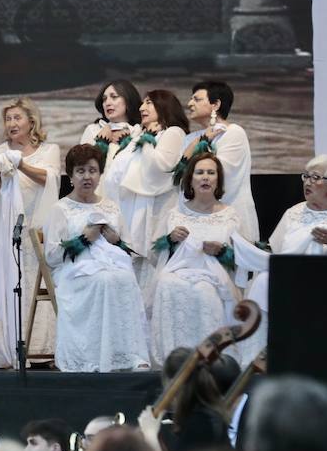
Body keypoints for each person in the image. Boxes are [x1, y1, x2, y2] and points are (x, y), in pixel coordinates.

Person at [41, 144, 149, 372]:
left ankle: (127, 354)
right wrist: (83, 239)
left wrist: (114, 240)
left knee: (124, 279)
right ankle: (92, 356)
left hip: (109, 266)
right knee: (103, 281)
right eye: (80, 171)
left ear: (100, 174)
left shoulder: (111, 206)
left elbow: (128, 249)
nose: (87, 177)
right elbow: (51, 256)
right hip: (74, 271)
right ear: (70, 175)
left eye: (92, 170)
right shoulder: (61, 209)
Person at [0, 97, 61, 368]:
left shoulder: (49, 150)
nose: (12, 123)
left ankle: (44, 348)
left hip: (37, 233)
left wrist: (21, 164)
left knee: (37, 287)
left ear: (31, 121)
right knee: (10, 286)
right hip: (8, 233)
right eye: (8, 119)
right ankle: (8, 347)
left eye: (17, 118)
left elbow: (50, 179)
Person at [233, 154, 327, 361]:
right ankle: (256, 357)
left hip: (325, 280)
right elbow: (276, 250)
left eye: (315, 177)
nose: (308, 182)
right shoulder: (293, 213)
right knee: (262, 281)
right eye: (306, 177)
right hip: (289, 275)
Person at [148, 153, 242, 365]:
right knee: (166, 283)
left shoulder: (230, 215)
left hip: (214, 277)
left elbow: (242, 260)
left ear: (218, 179)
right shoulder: (174, 213)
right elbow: (153, 255)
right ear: (190, 179)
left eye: (211, 173)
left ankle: (209, 358)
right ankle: (172, 361)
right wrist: (170, 240)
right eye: (200, 173)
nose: (205, 177)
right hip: (178, 273)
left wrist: (220, 251)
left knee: (203, 291)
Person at [101, 89, 188, 286]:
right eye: (142, 103)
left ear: (163, 105)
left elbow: (161, 168)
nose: (141, 107)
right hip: (130, 209)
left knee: (149, 275)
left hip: (156, 210)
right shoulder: (139, 133)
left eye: (148, 103)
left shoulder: (173, 132)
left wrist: (147, 141)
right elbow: (118, 168)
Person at [181, 80, 258, 240]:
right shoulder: (190, 139)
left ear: (215, 104)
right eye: (191, 99)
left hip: (229, 217)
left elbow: (218, 173)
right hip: (194, 217)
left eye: (197, 99)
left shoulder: (233, 133)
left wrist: (202, 143)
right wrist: (200, 140)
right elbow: (180, 174)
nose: (189, 104)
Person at [80, 80, 142, 163]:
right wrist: (101, 142)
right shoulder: (93, 130)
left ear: (128, 100)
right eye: (104, 99)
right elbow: (81, 165)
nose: (107, 103)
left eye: (114, 97)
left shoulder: (139, 132)